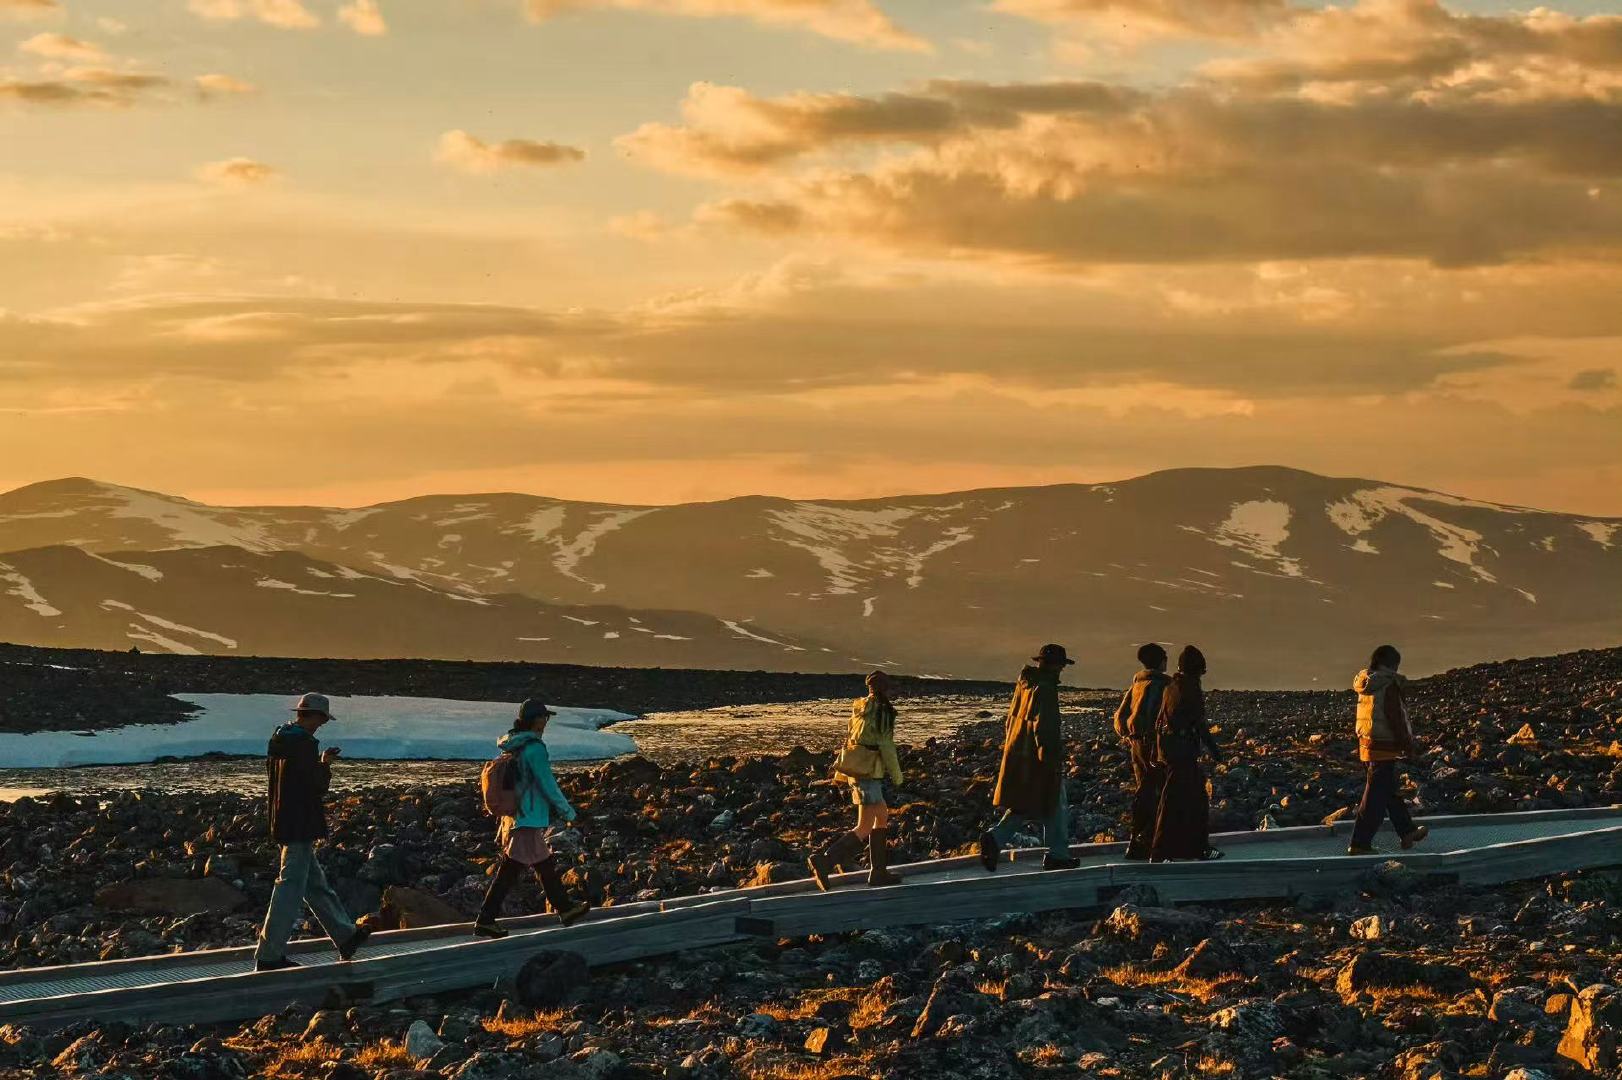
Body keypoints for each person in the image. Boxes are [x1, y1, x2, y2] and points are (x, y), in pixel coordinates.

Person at [254, 692, 371, 972]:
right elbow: (315, 785)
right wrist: (324, 764)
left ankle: (346, 936)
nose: (323, 724)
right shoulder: (303, 744)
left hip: (283, 819)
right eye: (322, 719)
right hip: (300, 821)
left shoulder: (280, 741)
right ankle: (269, 954)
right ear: (315, 716)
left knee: (313, 883)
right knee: (290, 884)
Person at [473, 699, 590, 938]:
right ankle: (485, 919)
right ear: (536, 720)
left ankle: (565, 909)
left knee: (542, 863)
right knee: (511, 869)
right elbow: (548, 784)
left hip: (518, 815)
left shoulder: (513, 744)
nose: (546, 723)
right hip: (527, 816)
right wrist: (568, 811)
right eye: (544, 718)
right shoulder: (534, 748)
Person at [978, 644, 1080, 873]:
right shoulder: (1045, 689)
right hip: (1037, 757)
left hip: (1018, 752)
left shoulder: (1024, 685)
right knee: (1053, 800)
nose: (1061, 669)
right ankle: (1056, 854)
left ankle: (1000, 839)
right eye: (1061, 665)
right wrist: (1050, 757)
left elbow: (1011, 720)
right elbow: (1046, 727)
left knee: (1026, 803)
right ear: (1057, 665)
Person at [807, 671, 906, 890]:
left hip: (858, 770)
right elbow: (887, 747)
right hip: (869, 772)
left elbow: (851, 740)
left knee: (881, 815)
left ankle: (877, 871)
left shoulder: (861, 708)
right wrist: (898, 777)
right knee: (864, 825)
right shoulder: (882, 713)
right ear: (885, 690)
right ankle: (825, 861)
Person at [1348, 645, 1429, 855]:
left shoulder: (1367, 682)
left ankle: (1407, 831)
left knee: (1388, 791)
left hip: (1368, 744)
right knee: (1375, 797)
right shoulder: (1388, 684)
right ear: (1390, 664)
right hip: (1384, 747)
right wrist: (1408, 745)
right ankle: (1360, 843)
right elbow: (1396, 718)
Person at [1151, 645, 1224, 861]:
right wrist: (1215, 751)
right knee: (1192, 802)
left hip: (1170, 751)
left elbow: (1159, 721)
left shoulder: (1170, 687)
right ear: (1198, 670)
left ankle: (1174, 849)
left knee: (1175, 800)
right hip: (1183, 754)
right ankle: (1181, 850)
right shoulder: (1190, 688)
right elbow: (1199, 724)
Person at [1113, 643, 1172, 861]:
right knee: (1159, 792)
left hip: (1136, 745)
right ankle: (1149, 842)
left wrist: (1129, 735)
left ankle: (1136, 842)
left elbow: (1120, 718)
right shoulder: (1164, 685)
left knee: (1144, 790)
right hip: (1154, 746)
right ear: (1161, 660)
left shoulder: (1137, 683)